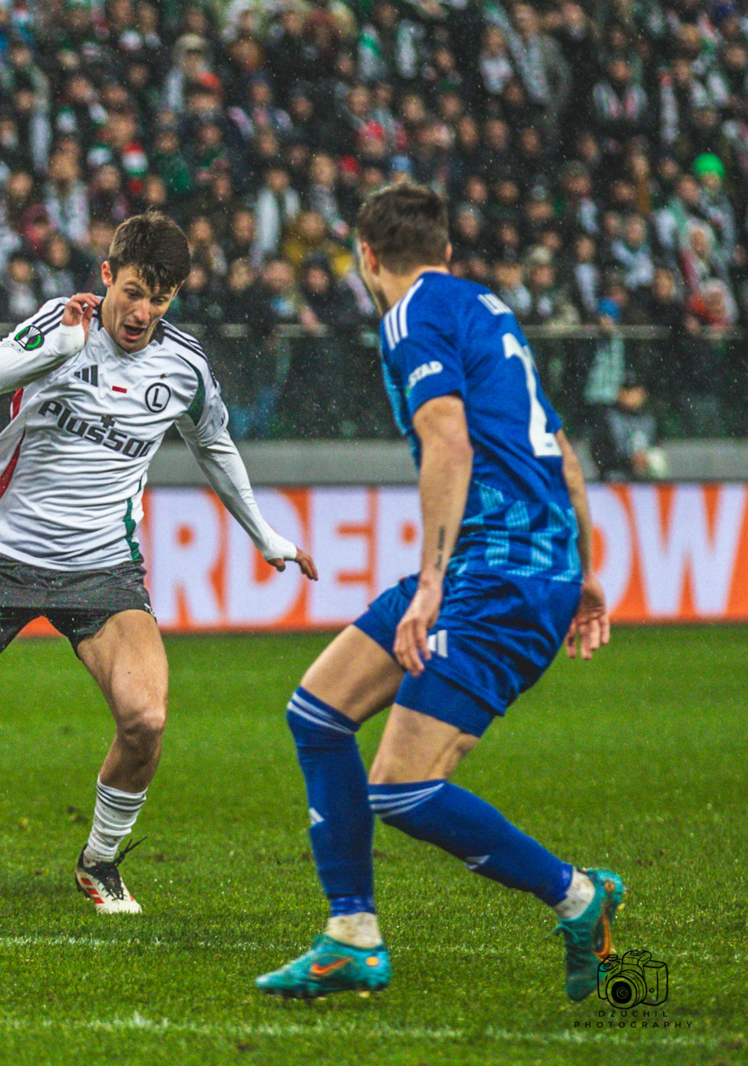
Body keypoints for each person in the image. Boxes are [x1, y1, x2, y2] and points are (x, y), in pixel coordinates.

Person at [0, 213, 316, 913]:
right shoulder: (61, 323)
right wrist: (57, 349)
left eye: (161, 299)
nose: (143, 312)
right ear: (108, 276)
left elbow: (214, 444)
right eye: (135, 291)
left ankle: (100, 863)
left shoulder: (184, 365)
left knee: (146, 720)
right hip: (4, 554)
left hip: (101, 569)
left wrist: (265, 534)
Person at [255, 184, 619, 1001]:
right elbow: (557, 444)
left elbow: (447, 436)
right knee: (317, 712)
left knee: (401, 787)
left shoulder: (408, 313)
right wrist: (586, 568)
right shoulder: (484, 305)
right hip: (522, 560)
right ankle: (351, 934)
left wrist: (429, 585)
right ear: (446, 250)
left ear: (367, 257)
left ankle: (580, 896)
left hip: (496, 573)